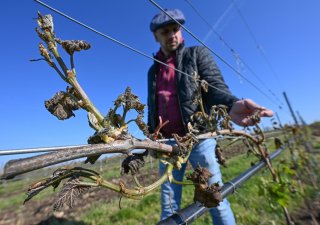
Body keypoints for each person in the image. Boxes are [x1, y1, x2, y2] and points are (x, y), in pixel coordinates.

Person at [147, 9, 274, 225]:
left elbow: (215, 87)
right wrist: (152, 137)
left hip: (199, 139)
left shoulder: (196, 55)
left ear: (181, 31)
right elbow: (153, 105)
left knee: (216, 197)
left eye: (176, 29)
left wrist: (231, 104)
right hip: (167, 145)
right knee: (168, 207)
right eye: (165, 31)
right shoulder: (153, 71)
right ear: (156, 36)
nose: (172, 35)